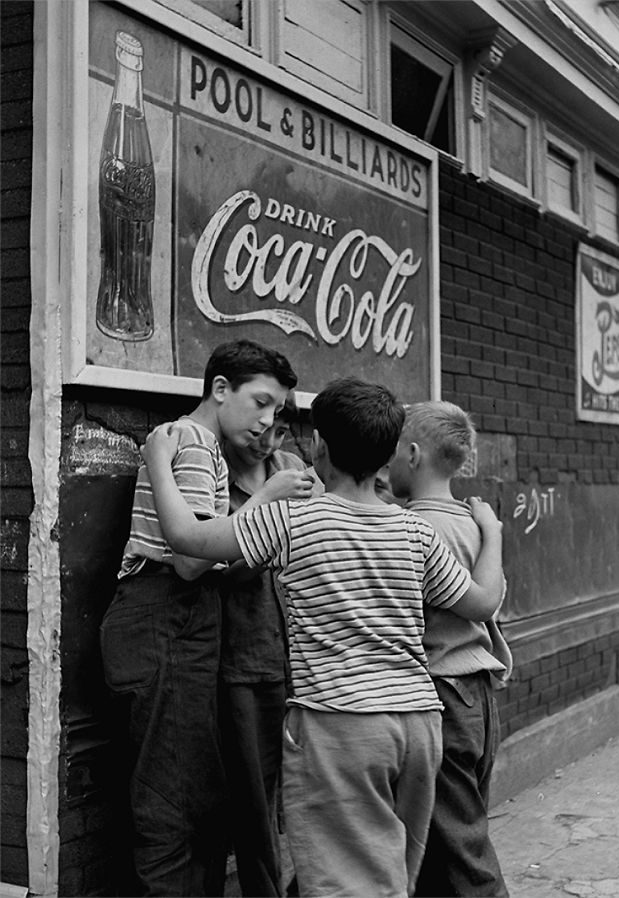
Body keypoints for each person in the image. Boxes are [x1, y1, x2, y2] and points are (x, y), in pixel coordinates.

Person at [140, 376, 504, 898]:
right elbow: (483, 602)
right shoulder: (414, 531)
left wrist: (157, 461)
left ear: (319, 447)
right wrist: (491, 535)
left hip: (341, 724)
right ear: (387, 457)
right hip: (421, 728)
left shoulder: (294, 519)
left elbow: (186, 540)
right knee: (389, 879)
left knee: (344, 886)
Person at [99, 340, 314, 897]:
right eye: (260, 402)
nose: (268, 421)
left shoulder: (198, 445)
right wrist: (266, 497)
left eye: (277, 411)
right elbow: (194, 559)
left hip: (171, 619)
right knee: (174, 804)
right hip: (166, 612)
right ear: (220, 389)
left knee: (189, 794)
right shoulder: (194, 442)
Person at [388, 400, 512, 898]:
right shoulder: (472, 523)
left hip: (441, 699)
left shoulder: (411, 530)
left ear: (413, 454)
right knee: (446, 842)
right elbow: (494, 599)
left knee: (462, 855)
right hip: (478, 697)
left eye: (393, 450)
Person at [219, 394, 322, 897]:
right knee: (255, 802)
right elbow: (217, 571)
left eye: (280, 431)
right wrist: (270, 535)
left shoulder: (293, 468)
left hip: (307, 661)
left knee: (311, 792)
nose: (268, 442)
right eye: (261, 431)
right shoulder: (219, 474)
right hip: (248, 658)